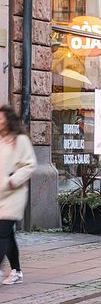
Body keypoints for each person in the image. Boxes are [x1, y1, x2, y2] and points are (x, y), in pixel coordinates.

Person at [0, 105, 37, 285]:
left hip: (14, 194)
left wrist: (13, 180)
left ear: (9, 120)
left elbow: (30, 165)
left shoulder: (20, 140)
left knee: (3, 232)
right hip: (0, 194)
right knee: (7, 235)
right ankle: (16, 270)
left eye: (1, 118)